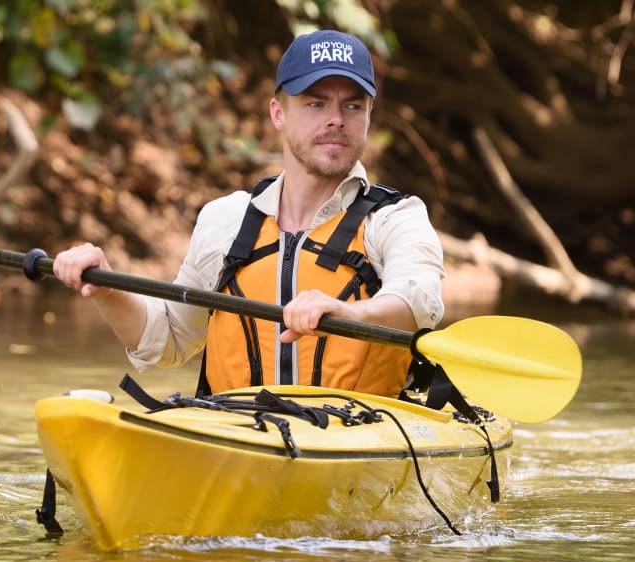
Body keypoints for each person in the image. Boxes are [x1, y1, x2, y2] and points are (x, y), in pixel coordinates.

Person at [53, 29, 444, 397]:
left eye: (352, 105)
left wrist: (347, 312)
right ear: (278, 113)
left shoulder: (397, 218)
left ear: (368, 117)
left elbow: (417, 304)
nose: (336, 119)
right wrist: (106, 289)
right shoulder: (226, 220)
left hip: (361, 438)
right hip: (242, 432)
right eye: (315, 103)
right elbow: (169, 339)